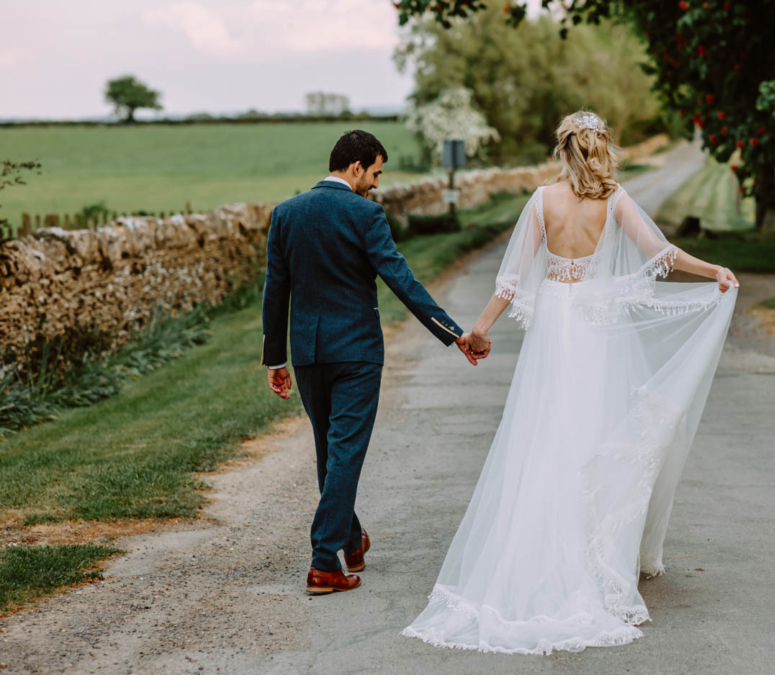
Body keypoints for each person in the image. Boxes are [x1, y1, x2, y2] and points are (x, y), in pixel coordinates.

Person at [402, 111, 739, 654]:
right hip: (597, 325)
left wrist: (479, 330)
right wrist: (714, 270)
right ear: (600, 147)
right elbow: (662, 256)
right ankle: (596, 554)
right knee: (595, 428)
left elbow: (511, 280)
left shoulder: (541, 201)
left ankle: (540, 547)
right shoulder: (615, 199)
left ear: (562, 149)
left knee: (547, 431)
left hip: (559, 319)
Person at [261, 130, 485, 595]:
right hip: (357, 354)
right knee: (344, 452)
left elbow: (275, 291)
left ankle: (349, 537)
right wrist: (453, 333)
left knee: (330, 449)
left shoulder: (285, 214)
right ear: (356, 166)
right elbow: (400, 279)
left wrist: (275, 359)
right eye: (377, 172)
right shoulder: (366, 215)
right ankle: (324, 561)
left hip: (307, 354)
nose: (378, 184)